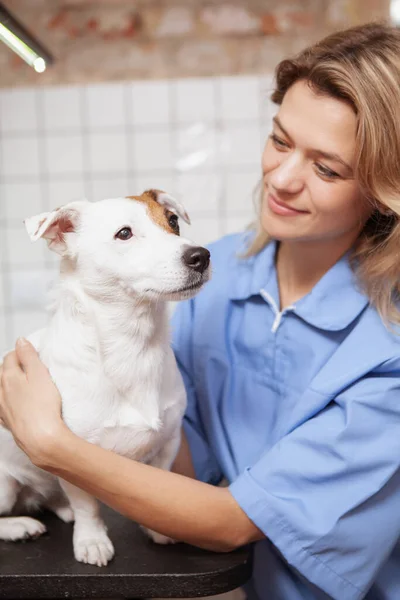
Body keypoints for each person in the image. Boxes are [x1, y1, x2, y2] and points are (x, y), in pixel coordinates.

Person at [1, 21, 400, 600]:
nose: (282, 180)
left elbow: (231, 522)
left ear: (385, 188)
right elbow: (178, 462)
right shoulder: (215, 275)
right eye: (281, 140)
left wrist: (53, 442)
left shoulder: (386, 349)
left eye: (327, 168)